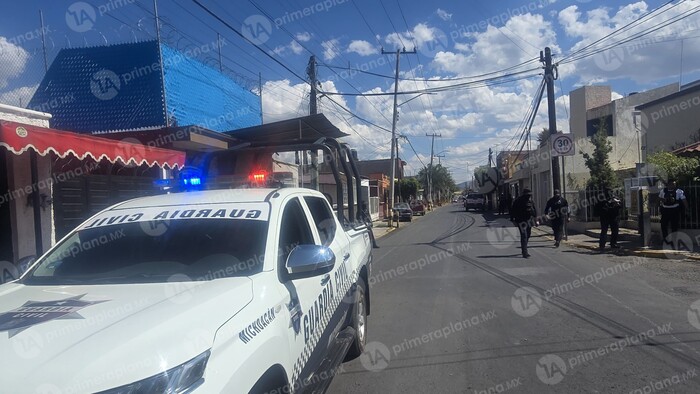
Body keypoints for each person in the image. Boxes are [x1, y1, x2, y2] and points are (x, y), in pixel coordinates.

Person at [658, 179, 688, 245]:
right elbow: (659, 198)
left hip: (674, 210)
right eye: (672, 184)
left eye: (674, 184)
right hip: (665, 210)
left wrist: (687, 209)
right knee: (663, 225)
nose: (673, 185)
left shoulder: (679, 191)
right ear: (668, 184)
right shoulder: (663, 191)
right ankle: (665, 240)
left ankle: (674, 240)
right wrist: (664, 200)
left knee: (674, 226)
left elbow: (684, 200)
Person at [510, 188, 538, 258]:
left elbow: (534, 211)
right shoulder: (518, 201)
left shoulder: (531, 201)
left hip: (529, 220)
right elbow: (513, 210)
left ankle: (524, 247)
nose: (529, 196)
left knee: (528, 235)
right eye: (528, 195)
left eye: (530, 195)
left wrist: (536, 220)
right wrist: (513, 219)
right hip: (521, 221)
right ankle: (525, 252)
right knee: (524, 235)